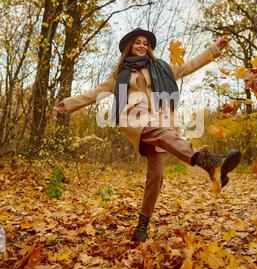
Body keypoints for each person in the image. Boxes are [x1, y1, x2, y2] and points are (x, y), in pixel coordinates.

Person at [55, 28, 241, 242]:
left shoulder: (161, 67)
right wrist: (69, 104)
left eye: (145, 43)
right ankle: (207, 162)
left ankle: (141, 227)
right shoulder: (120, 74)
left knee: (156, 176)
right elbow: (96, 93)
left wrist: (214, 49)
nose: (142, 46)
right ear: (129, 47)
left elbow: (190, 65)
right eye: (138, 43)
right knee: (160, 133)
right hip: (136, 118)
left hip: (161, 121)